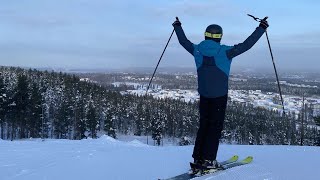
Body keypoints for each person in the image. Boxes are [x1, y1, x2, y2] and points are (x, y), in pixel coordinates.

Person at [172, 18, 268, 173]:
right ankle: (209, 160)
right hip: (219, 97)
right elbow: (247, 45)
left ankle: (198, 159)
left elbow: (183, 41)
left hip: (204, 95)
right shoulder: (225, 52)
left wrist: (177, 26)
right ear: (219, 37)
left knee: (204, 126)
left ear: (205, 35)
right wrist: (261, 28)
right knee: (214, 128)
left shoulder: (196, 50)